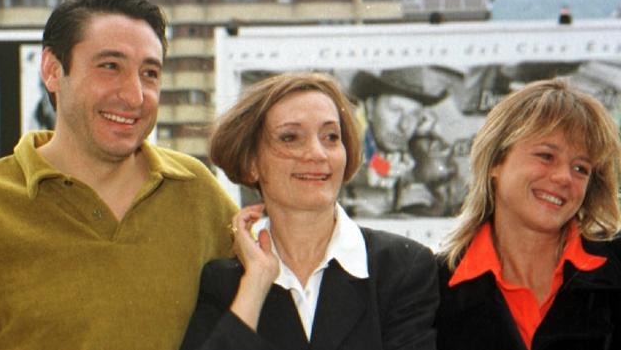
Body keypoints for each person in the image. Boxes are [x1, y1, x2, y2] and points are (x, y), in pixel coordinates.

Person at [0, 0, 237, 350]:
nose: (134, 96)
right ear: (51, 69)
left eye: (150, 73)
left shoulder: (196, 191)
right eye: (110, 66)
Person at [181, 72, 439, 350]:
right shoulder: (224, 282)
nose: (317, 153)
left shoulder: (404, 267)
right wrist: (255, 283)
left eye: (330, 136)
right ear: (251, 162)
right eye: (291, 137)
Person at [435, 79, 621, 350]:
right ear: (496, 162)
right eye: (546, 156)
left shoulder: (614, 268)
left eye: (581, 168)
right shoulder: (433, 286)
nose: (563, 177)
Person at [342, 67, 461, 217]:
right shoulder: (341, 144)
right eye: (395, 109)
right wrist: (394, 198)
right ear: (370, 108)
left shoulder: (423, 152)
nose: (404, 125)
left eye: (414, 114)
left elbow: (450, 201)